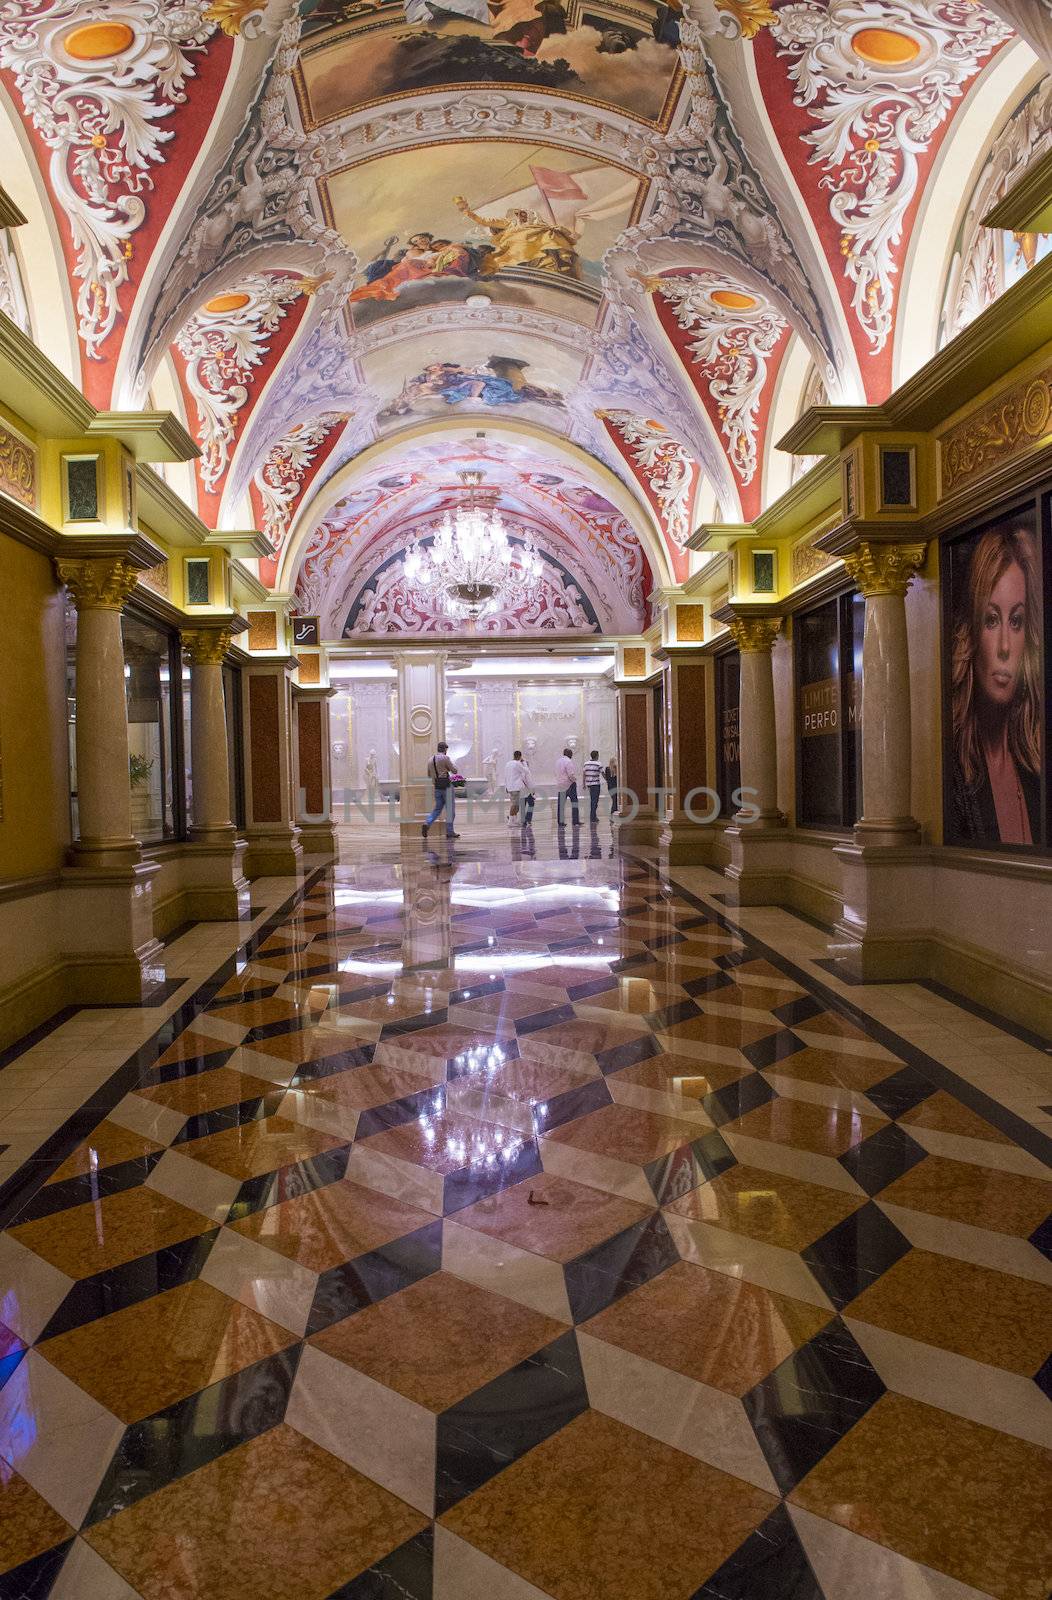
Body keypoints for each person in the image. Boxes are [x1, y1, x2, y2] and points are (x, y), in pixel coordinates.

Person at [949, 522, 1041, 845]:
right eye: (991, 620)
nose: (1004, 646)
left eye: (1015, 621)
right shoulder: (954, 773)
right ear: (972, 632)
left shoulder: (1036, 764)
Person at [422, 741, 459, 841]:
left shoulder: (430, 760)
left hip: (437, 787)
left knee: (437, 809)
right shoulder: (445, 758)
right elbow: (454, 771)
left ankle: (427, 823)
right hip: (446, 787)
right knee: (450, 810)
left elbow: (429, 775)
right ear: (445, 749)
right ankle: (449, 831)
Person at [504, 749, 534, 824]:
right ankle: (511, 821)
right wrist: (524, 763)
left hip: (510, 787)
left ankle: (514, 819)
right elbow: (526, 771)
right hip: (516, 787)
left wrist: (506, 786)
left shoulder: (508, 764)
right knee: (515, 805)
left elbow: (506, 776)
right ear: (520, 756)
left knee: (516, 805)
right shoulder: (517, 763)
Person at [555, 746, 579, 827]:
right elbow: (570, 774)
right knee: (574, 803)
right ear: (569, 754)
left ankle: (560, 822)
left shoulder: (558, 761)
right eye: (571, 754)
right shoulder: (568, 761)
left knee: (561, 804)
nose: (572, 755)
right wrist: (574, 780)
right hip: (569, 784)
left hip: (560, 784)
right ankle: (575, 821)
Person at [582, 748, 603, 823]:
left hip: (589, 784)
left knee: (592, 800)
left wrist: (583, 784)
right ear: (597, 756)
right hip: (596, 784)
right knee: (595, 801)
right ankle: (592, 817)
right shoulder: (598, 764)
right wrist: (608, 779)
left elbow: (584, 774)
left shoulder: (586, 763)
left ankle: (593, 816)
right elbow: (602, 773)